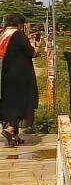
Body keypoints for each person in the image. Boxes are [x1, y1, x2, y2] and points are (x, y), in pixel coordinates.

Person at [0, 13, 40, 147]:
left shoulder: (3, 35)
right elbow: (31, 52)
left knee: (9, 102)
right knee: (23, 100)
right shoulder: (18, 35)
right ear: (19, 24)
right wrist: (38, 48)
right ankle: (10, 129)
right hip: (21, 75)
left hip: (5, 75)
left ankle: (14, 137)